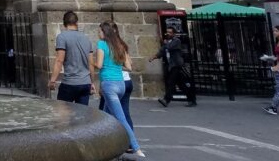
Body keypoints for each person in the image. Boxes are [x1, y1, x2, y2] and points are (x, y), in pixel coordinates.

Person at [96, 21, 144, 158]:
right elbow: (129, 67)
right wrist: (115, 67)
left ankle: (135, 147)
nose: (98, 33)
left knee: (121, 118)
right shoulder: (120, 45)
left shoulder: (101, 44)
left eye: (99, 31)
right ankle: (100, 143)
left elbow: (99, 65)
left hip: (109, 85)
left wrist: (89, 62)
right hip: (121, 85)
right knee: (104, 115)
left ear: (104, 33)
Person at [48, 11, 95, 105]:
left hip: (70, 83)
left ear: (64, 23)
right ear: (76, 22)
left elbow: (59, 60)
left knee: (63, 115)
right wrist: (92, 82)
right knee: (81, 116)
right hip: (85, 83)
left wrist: (52, 80)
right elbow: (91, 63)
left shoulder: (62, 37)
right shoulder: (86, 38)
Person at [150, 26, 196, 107]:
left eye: (170, 32)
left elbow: (169, 47)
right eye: (167, 32)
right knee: (181, 85)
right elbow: (162, 51)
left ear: (173, 33)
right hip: (171, 66)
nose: (168, 33)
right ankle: (192, 99)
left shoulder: (176, 41)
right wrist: (153, 57)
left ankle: (166, 100)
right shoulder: (168, 42)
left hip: (177, 65)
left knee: (171, 82)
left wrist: (164, 42)